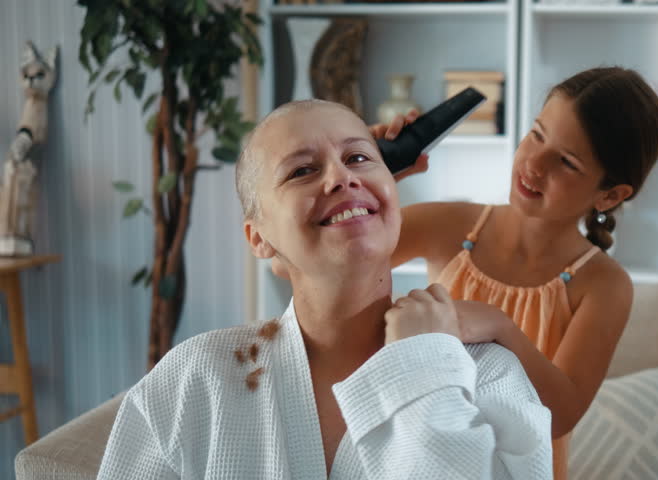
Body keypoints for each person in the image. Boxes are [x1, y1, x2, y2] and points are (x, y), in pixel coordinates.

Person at [97, 99, 553, 479]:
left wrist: (424, 369)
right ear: (259, 237)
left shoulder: (488, 375)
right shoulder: (194, 380)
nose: (342, 178)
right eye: (301, 171)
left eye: (358, 158)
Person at [373, 66, 658, 479]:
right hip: (428, 462)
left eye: (566, 161)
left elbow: (561, 415)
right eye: (537, 134)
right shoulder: (449, 225)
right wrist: (371, 173)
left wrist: (501, 327)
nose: (535, 163)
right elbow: (299, 266)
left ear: (611, 194)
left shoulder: (604, 285)